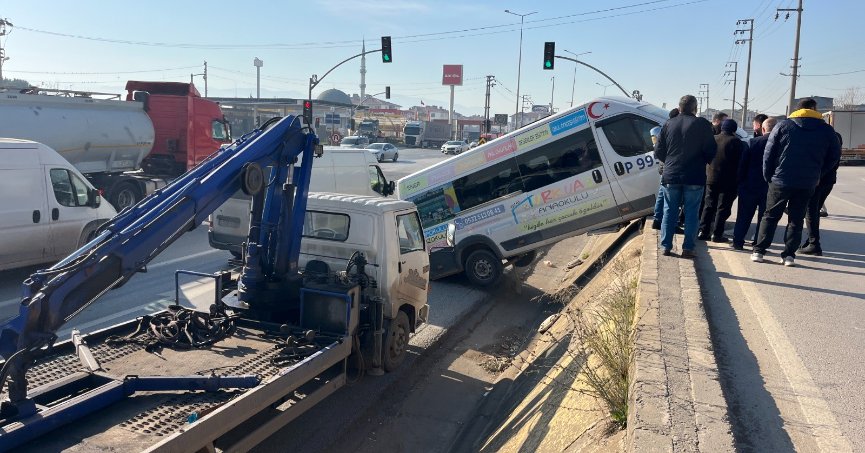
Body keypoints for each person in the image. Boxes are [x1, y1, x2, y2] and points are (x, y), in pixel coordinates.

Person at [752, 98, 841, 266]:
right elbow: (834, 156)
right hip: (807, 182)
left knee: (770, 216)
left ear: (797, 109)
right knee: (796, 219)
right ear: (814, 109)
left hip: (780, 180)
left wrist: (768, 176)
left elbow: (769, 154)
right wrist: (819, 174)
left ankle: (759, 251)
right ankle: (789, 256)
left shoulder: (783, 126)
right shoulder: (826, 130)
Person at [654, 95, 717, 258]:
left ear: (679, 107)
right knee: (691, 213)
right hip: (694, 175)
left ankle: (666, 246)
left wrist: (670, 161)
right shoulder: (703, 124)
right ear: (695, 108)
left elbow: (658, 151)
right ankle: (688, 248)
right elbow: (711, 150)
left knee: (669, 211)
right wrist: (701, 161)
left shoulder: (668, 123)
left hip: (671, 174)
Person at [733, 117, 776, 249]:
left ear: (763, 129)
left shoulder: (752, 142)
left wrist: (740, 183)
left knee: (743, 216)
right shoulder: (782, 144)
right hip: (770, 187)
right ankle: (758, 244)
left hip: (749, 185)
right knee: (764, 218)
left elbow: (742, 165)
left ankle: (738, 242)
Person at [699, 119, 744, 242]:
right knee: (722, 207)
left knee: (708, 205)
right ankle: (717, 234)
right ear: (734, 130)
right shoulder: (736, 142)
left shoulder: (712, 139)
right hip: (728, 180)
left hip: (711, 177)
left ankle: (703, 231)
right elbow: (740, 162)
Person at [800, 131, 842, 255]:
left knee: (811, 212)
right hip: (829, 180)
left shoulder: (819, 136)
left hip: (817, 180)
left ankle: (814, 244)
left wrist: (817, 175)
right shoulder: (836, 136)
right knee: (814, 211)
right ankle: (811, 241)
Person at [651, 108, 680, 230]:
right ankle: (672, 224)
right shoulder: (675, 130)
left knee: (662, 195)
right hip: (671, 167)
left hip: (664, 167)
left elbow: (658, 150)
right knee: (672, 200)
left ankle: (657, 220)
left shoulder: (664, 128)